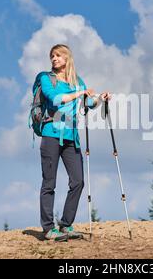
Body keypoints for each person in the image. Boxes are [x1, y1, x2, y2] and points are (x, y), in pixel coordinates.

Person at [39, 44, 111, 241]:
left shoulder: (77, 81)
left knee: (78, 181)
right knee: (49, 183)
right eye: (52, 56)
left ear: (67, 58)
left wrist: (99, 99)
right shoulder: (46, 78)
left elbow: (87, 103)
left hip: (72, 137)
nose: (54, 58)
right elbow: (55, 100)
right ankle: (48, 228)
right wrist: (79, 94)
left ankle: (65, 224)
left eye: (58, 55)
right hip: (51, 134)